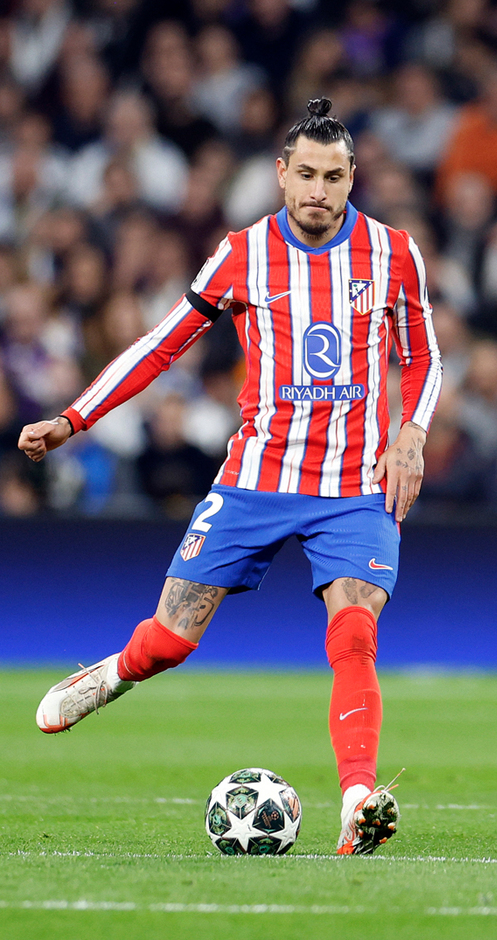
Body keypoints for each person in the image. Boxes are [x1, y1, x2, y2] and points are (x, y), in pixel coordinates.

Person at [18, 98, 442, 857]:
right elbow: (160, 344)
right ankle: (112, 674)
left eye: (333, 177)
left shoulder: (392, 253)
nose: (319, 190)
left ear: (353, 178)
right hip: (256, 478)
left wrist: (410, 433)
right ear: (281, 175)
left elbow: (423, 356)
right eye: (306, 174)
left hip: (355, 486)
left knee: (354, 633)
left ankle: (358, 800)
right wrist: (74, 418)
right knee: (170, 641)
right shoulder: (242, 253)